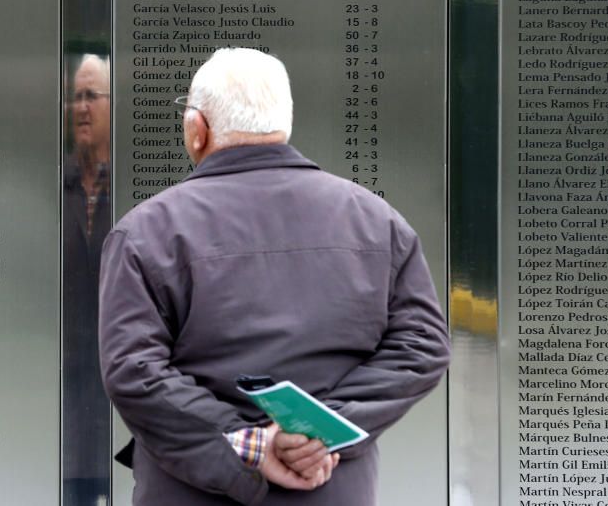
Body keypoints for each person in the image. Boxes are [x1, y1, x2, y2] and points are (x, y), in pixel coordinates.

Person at [98, 48, 450, 505]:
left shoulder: (145, 232)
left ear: (196, 128)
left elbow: (134, 371)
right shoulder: (378, 222)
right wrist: (318, 432)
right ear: (282, 124)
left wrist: (249, 444)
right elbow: (423, 346)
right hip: (331, 489)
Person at [62, 54, 112, 505]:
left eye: (91, 96)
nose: (81, 107)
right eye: (75, 97)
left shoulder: (133, 189)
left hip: (123, 403)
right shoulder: (57, 185)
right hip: (64, 409)